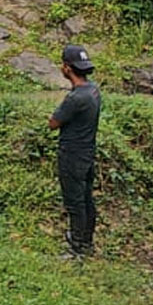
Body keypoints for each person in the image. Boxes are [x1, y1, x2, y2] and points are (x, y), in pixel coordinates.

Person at [48, 44, 101, 258]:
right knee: (86, 199)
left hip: (71, 155)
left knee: (74, 203)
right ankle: (86, 241)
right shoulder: (93, 91)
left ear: (68, 68)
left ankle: (77, 248)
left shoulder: (75, 98)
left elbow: (53, 123)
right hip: (88, 153)